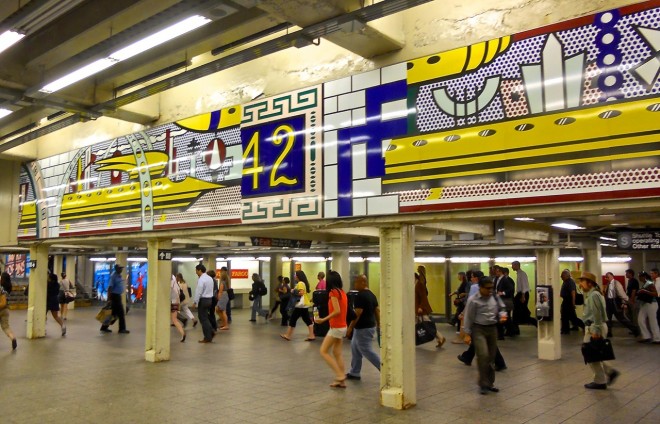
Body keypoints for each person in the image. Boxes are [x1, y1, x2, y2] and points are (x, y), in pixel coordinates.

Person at [463, 276, 507, 395]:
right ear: (480, 288)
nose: (490, 290)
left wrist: (503, 315)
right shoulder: (473, 300)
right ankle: (483, 384)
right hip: (479, 329)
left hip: (492, 329)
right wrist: (467, 334)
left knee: (491, 357)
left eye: (491, 288)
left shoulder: (494, 297)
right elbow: (468, 317)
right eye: (487, 288)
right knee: (483, 355)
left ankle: (489, 383)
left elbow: (502, 307)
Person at [578, 271, 620, 390]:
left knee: (590, 353)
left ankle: (600, 381)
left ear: (590, 283)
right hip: (596, 326)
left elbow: (597, 313)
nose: (580, 284)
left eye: (582, 281)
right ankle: (610, 372)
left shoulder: (593, 295)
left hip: (595, 327)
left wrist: (595, 330)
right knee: (596, 352)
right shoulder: (594, 294)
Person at [314, 270, 348, 388]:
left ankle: (339, 375)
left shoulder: (333, 293)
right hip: (342, 326)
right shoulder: (342, 292)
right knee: (337, 353)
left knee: (323, 351)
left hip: (336, 327)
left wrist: (323, 319)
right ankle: (341, 380)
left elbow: (337, 310)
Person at [346, 274, 380, 380]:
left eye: (356, 282)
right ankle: (355, 372)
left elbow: (358, 313)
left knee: (366, 350)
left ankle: (385, 369)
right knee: (355, 347)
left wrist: (350, 327)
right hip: (369, 326)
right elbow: (377, 310)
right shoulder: (372, 295)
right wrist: (378, 324)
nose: (355, 284)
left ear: (363, 282)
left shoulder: (360, 296)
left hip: (363, 328)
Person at [280, 270, 315, 341]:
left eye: (295, 275)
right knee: (306, 319)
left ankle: (288, 335)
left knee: (293, 319)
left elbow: (301, 293)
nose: (295, 276)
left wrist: (293, 291)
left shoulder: (300, 283)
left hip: (300, 304)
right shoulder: (303, 283)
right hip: (303, 305)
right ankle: (311, 335)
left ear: (298, 276)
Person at [415, 271, 445, 347]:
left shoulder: (419, 285)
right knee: (423, 325)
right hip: (417, 309)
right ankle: (440, 338)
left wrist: (421, 307)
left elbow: (423, 297)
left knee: (427, 325)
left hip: (421, 310)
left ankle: (440, 337)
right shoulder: (415, 284)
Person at [604, 272, 638, 337]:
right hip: (608, 302)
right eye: (606, 277)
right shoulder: (608, 284)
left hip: (615, 302)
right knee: (608, 319)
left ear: (611, 276)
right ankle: (609, 332)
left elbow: (621, 293)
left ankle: (635, 329)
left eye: (608, 277)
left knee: (621, 318)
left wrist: (625, 302)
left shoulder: (616, 283)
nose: (607, 278)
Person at [100, 264, 129, 334]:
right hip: (114, 296)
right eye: (120, 269)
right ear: (116, 269)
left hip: (118, 296)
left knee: (113, 314)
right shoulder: (113, 276)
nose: (121, 270)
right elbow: (109, 288)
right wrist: (109, 299)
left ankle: (104, 327)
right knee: (121, 313)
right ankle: (122, 329)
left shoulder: (119, 276)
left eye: (121, 268)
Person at [511, 261, 537, 329]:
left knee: (520, 311)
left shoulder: (522, 274)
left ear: (517, 265)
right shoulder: (519, 273)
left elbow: (524, 285)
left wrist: (523, 296)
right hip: (521, 294)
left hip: (522, 294)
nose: (512, 267)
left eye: (513, 265)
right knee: (517, 311)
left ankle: (534, 322)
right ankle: (515, 328)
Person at [636, 271, 660, 343]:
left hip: (651, 304)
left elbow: (655, 294)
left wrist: (644, 291)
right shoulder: (646, 284)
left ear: (644, 277)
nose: (639, 278)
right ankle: (646, 336)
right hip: (645, 304)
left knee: (653, 321)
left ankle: (657, 338)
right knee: (640, 320)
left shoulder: (649, 283)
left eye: (640, 276)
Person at [194, 264, 214, 343]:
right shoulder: (209, 278)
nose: (196, 272)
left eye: (196, 270)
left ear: (199, 270)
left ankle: (207, 337)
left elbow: (199, 291)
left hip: (203, 300)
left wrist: (195, 301)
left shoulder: (201, 279)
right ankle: (211, 332)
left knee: (203, 319)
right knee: (205, 317)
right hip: (209, 300)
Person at [560, 270, 585, 334]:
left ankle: (583, 326)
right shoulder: (565, 281)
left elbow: (573, 292)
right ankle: (565, 329)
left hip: (569, 301)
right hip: (566, 300)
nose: (561, 276)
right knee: (564, 316)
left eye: (562, 275)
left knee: (572, 317)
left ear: (566, 275)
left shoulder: (570, 281)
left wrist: (573, 303)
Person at [1, 272, 17, 350]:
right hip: (5, 310)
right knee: (6, 327)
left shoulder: (1, 288)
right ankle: (13, 338)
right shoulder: (9, 287)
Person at [170, 275, 186, 342]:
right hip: (176, 302)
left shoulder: (170, 283)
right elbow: (179, 294)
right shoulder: (176, 283)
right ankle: (182, 333)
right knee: (175, 320)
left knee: (170, 319)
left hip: (171, 302)